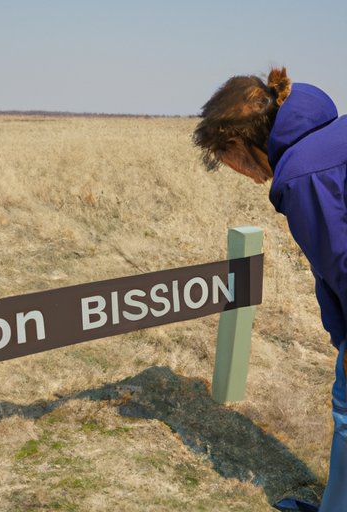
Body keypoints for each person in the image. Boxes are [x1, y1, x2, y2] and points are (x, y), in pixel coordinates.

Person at [193, 67, 347, 512]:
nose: (238, 172)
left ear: (239, 144)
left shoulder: (302, 175)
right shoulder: (330, 138)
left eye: (227, 160)